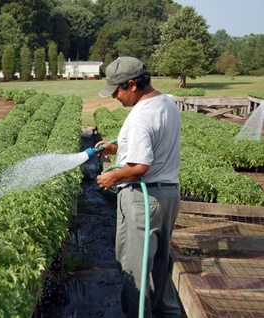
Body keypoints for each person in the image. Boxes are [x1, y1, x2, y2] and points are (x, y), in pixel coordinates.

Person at [95, 56, 181, 318]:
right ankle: (167, 313)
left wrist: (113, 177)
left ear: (131, 85)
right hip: (168, 194)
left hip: (144, 200)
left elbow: (140, 167)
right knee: (159, 266)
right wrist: (116, 149)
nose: (114, 97)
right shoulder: (166, 102)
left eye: (116, 91)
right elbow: (152, 146)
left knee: (135, 270)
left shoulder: (139, 117)